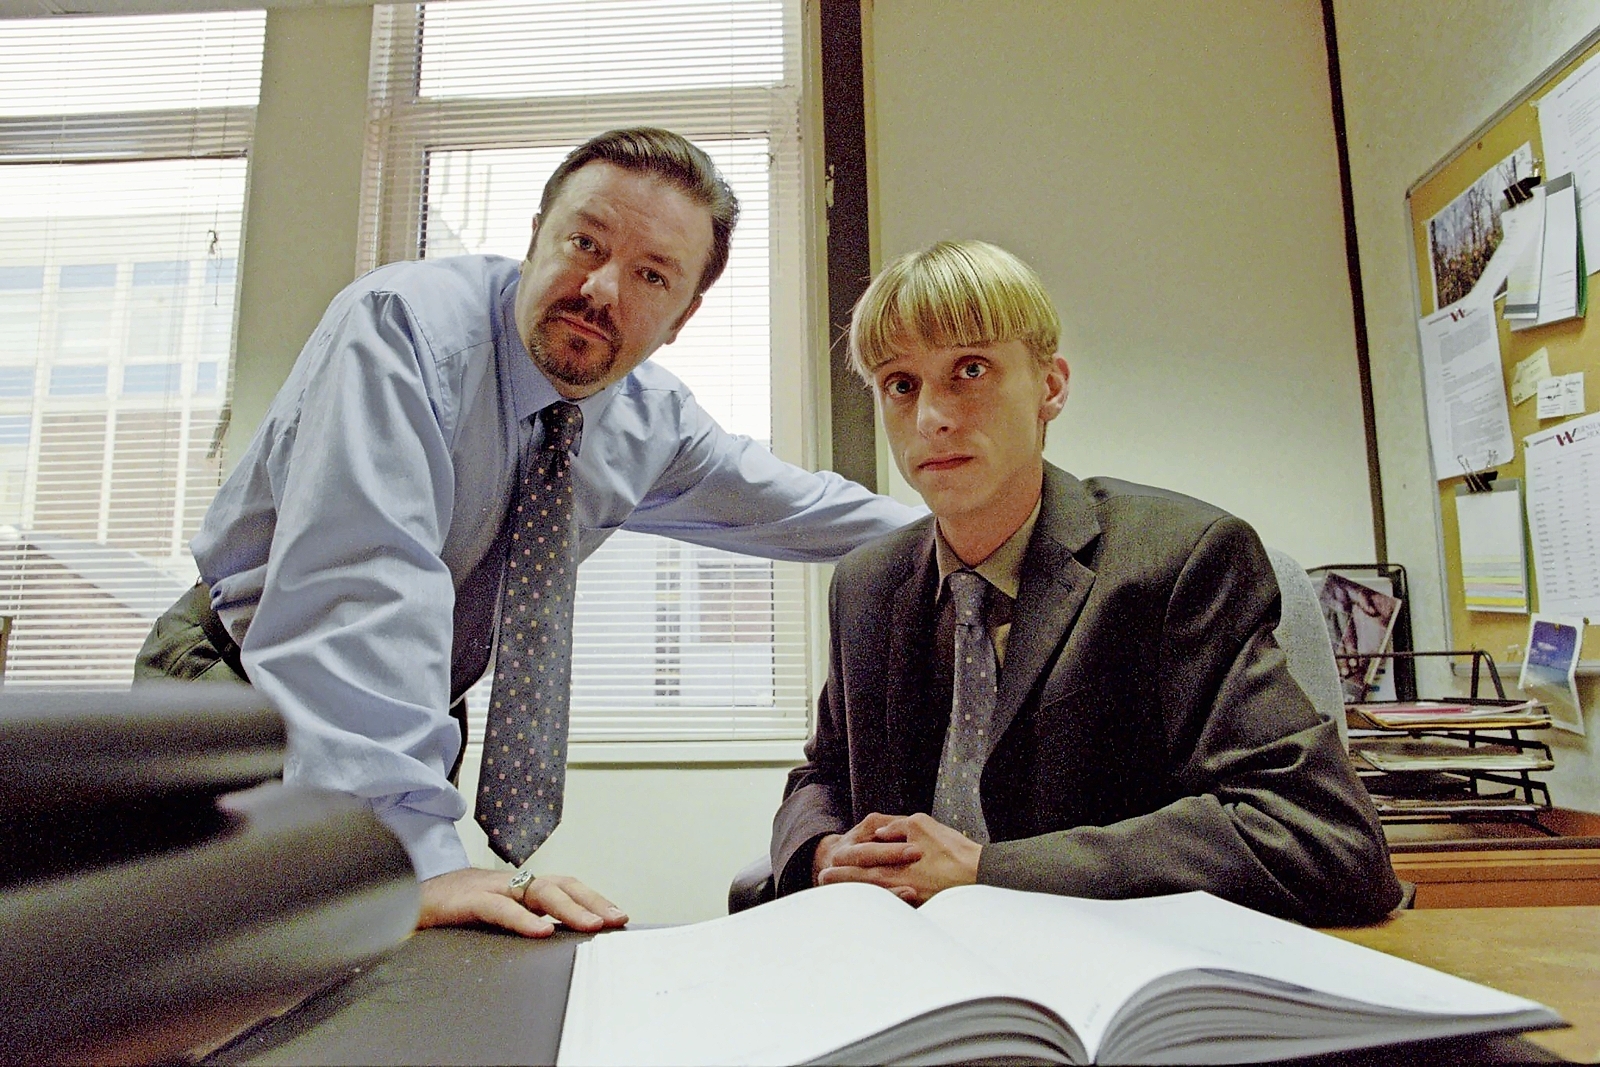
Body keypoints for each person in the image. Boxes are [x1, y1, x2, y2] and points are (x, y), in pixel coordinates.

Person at [136, 128, 920, 938]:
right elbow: (355, 610)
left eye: (652, 275)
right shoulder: (400, 331)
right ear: (535, 236)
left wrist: (983, 517)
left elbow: (802, 508)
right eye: (585, 242)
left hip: (401, 720)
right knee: (193, 1000)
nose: (603, 289)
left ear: (682, 318)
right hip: (234, 696)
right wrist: (422, 865)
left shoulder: (650, 424)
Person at [769, 240, 1401, 926]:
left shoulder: (1179, 560)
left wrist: (988, 872)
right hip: (918, 970)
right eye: (901, 384)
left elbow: (1323, 837)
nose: (931, 418)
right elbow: (823, 775)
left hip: (1115, 968)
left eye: (970, 369)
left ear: (1051, 386)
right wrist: (823, 850)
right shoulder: (868, 582)